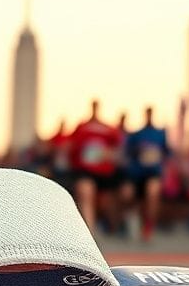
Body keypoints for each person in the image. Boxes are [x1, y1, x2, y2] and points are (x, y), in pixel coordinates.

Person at [69, 100, 122, 234]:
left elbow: (118, 149)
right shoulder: (82, 127)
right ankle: (89, 233)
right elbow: (72, 148)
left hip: (104, 173)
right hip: (85, 171)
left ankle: (112, 225)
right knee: (85, 193)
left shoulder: (109, 129)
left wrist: (108, 155)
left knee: (105, 202)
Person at [124, 106, 170, 242]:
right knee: (130, 198)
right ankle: (133, 224)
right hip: (137, 174)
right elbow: (127, 153)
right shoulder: (136, 134)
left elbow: (167, 153)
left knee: (153, 194)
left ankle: (149, 226)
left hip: (153, 172)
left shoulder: (160, 134)